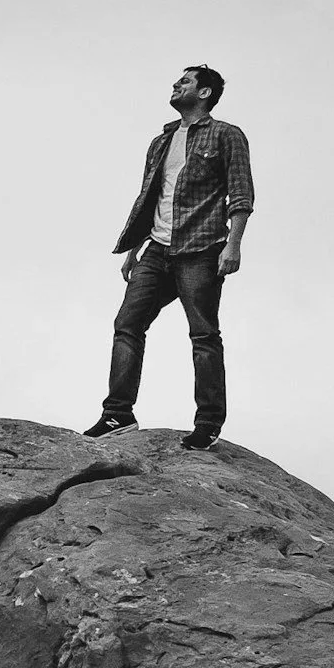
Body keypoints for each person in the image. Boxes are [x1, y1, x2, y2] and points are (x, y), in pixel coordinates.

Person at [85, 65, 254, 450]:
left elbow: (241, 194)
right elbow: (150, 199)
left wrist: (234, 245)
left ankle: (208, 422)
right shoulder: (161, 142)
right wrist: (133, 250)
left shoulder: (226, 136)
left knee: (203, 335)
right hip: (156, 251)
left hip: (202, 248)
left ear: (206, 93)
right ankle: (118, 415)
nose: (176, 86)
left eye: (186, 81)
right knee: (127, 324)